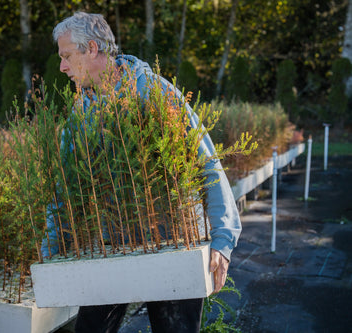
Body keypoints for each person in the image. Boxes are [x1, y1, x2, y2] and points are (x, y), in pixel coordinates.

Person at [49, 11, 242, 333]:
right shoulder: (82, 111)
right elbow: (66, 186)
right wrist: (50, 250)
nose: (62, 67)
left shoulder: (156, 93)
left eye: (67, 56)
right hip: (113, 243)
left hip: (174, 240)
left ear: (92, 49)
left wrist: (222, 241)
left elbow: (205, 163)